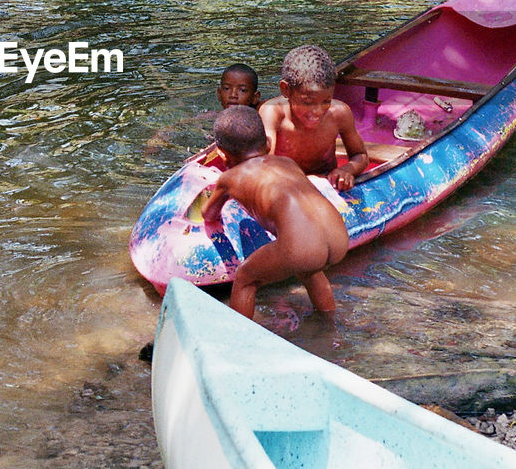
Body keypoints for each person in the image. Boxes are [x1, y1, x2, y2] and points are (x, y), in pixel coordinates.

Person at [200, 105, 349, 319]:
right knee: (309, 269)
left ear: (222, 155)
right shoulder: (287, 163)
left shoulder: (229, 178)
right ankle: (328, 322)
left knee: (245, 278)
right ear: (268, 143)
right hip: (338, 238)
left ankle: (236, 339)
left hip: (302, 248)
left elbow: (209, 214)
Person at [259, 45, 369, 191]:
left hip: (327, 184)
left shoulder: (339, 113)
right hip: (284, 185)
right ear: (286, 90)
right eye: (307, 102)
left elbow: (360, 155)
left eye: (326, 101)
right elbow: (265, 163)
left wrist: (346, 170)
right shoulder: (272, 113)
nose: (317, 112)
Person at [144, 63, 260, 154]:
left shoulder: (260, 116)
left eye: (242, 90)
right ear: (219, 94)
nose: (233, 95)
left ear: (255, 97)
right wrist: (159, 137)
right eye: (226, 88)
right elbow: (182, 125)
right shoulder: (212, 116)